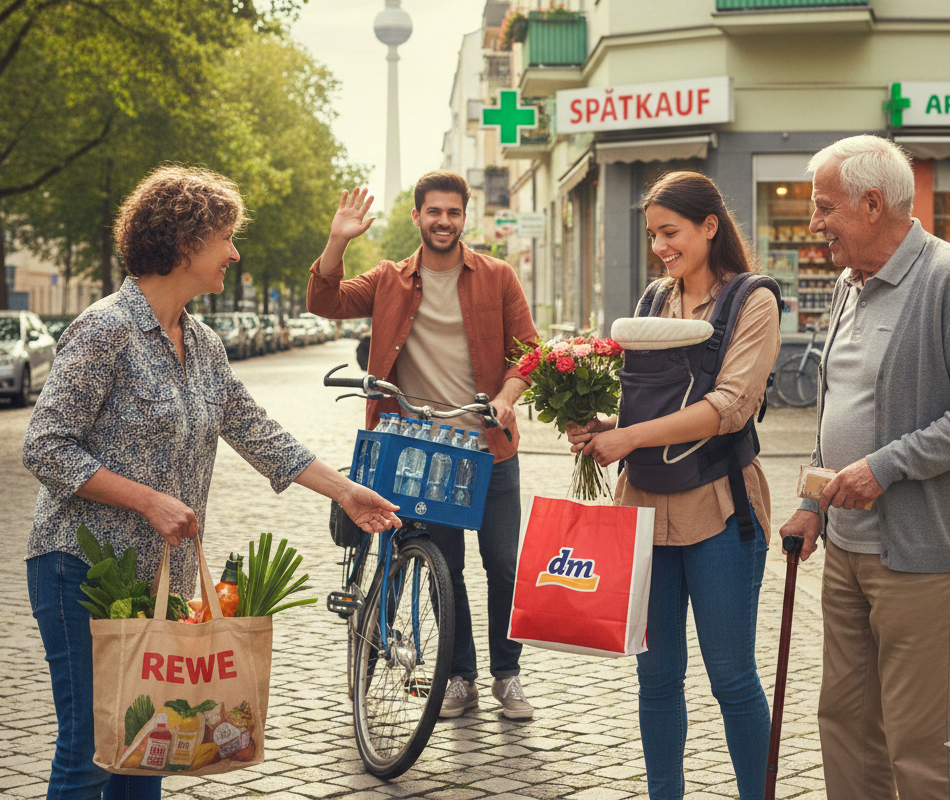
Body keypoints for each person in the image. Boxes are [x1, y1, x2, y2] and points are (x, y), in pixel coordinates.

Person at [23, 166, 400, 800]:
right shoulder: (104, 331)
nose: (234, 251)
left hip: (158, 576)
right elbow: (45, 445)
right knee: (91, 755)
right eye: (224, 236)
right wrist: (147, 500)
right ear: (182, 243)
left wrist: (344, 491)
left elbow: (258, 431)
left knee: (148, 751)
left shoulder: (201, 344)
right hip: (79, 569)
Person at [778, 135, 950, 800]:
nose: (814, 224)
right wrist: (812, 499)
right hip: (848, 547)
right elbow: (840, 408)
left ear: (873, 203)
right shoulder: (850, 285)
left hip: (924, 557)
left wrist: (887, 466)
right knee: (846, 725)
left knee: (923, 742)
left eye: (825, 207)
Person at [567, 171, 782, 800]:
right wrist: (605, 425)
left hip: (721, 509)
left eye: (672, 232)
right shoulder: (653, 304)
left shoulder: (752, 300)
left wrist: (628, 440)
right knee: (656, 677)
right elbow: (647, 404)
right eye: (653, 234)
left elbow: (730, 405)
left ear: (709, 227)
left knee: (733, 677)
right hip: (643, 511)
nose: (661, 246)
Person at [306, 172, 539, 720]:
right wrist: (338, 239)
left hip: (490, 446)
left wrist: (507, 397)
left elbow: (529, 351)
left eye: (453, 213)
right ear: (417, 217)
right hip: (422, 453)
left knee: (504, 565)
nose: (444, 221)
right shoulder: (390, 279)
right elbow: (325, 300)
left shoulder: (498, 276)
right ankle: (460, 676)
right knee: (445, 567)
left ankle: (508, 676)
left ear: (465, 217)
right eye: (433, 212)